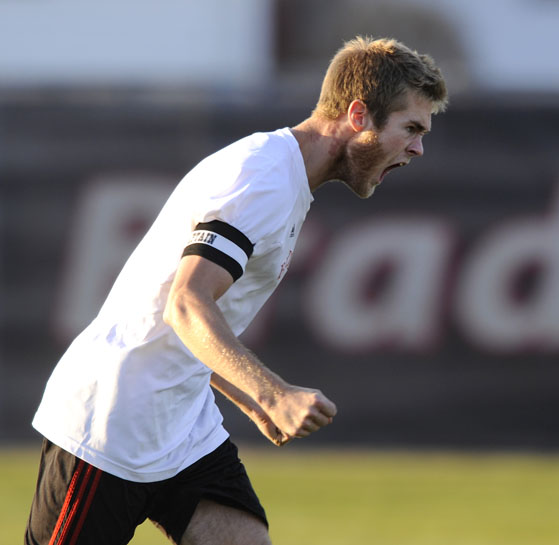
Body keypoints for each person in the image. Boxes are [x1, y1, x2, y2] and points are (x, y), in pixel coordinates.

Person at [25, 36, 448, 545]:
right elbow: (185, 304)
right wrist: (274, 393)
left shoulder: (287, 176)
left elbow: (184, 314)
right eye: (411, 128)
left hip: (181, 425)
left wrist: (250, 401)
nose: (418, 148)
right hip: (115, 421)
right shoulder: (264, 178)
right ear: (359, 115)